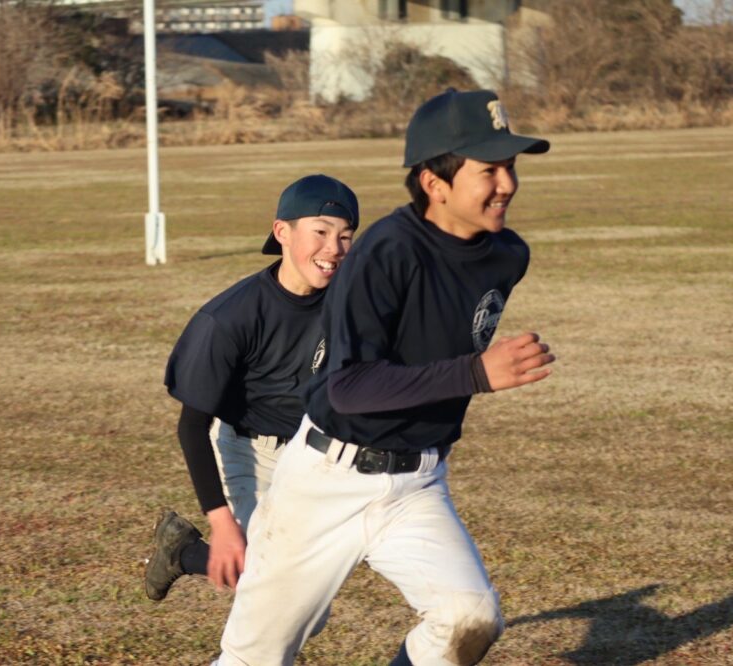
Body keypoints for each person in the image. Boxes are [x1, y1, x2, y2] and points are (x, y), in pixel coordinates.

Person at [213, 88, 556, 666]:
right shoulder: (385, 252)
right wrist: (476, 372)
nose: (508, 184)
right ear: (434, 182)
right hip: (327, 477)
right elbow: (350, 386)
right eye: (489, 169)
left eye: (512, 166)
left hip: (417, 483)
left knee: (468, 619)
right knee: (255, 660)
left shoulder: (507, 254)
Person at [144, 174, 359, 601]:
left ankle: (187, 552)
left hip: (316, 453)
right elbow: (191, 427)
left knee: (304, 600)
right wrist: (222, 524)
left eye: (346, 236)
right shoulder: (230, 318)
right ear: (282, 231)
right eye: (320, 232)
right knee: (282, 595)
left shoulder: (352, 302)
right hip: (250, 453)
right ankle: (187, 553)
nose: (334, 249)